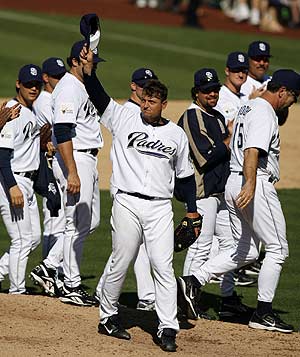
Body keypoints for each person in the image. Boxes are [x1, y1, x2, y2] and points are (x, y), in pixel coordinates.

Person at [81, 46, 200, 353]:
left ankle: (167, 327)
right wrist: (89, 68)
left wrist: (191, 211)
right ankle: (107, 317)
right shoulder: (123, 118)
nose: (146, 104)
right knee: (121, 260)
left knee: (162, 265)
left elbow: (185, 177)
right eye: (144, 99)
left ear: (163, 103)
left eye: (152, 100)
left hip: (160, 207)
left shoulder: (175, 135)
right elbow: (97, 94)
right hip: (127, 203)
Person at [177, 69, 300, 333]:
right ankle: (264, 313)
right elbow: (252, 149)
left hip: (232, 183)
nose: (294, 102)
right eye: (294, 96)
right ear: (282, 91)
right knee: (278, 249)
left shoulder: (247, 107)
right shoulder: (265, 113)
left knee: (248, 250)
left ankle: (194, 280)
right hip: (252, 183)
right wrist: (252, 183)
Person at [177, 68, 250, 320]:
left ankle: (226, 298)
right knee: (199, 247)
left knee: (232, 245)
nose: (212, 93)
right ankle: (184, 301)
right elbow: (204, 157)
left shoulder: (217, 117)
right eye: (207, 90)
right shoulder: (191, 117)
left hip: (219, 194)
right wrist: (228, 142)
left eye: (215, 89)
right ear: (196, 92)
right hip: (200, 193)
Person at [95, 67, 159, 311]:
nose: (146, 89)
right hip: (125, 187)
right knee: (132, 245)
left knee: (127, 246)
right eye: (143, 85)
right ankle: (147, 296)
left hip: (137, 188)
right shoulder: (125, 113)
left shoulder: (145, 114)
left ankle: (105, 289)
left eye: (150, 86)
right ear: (133, 86)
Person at [50, 40, 104, 306]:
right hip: (76, 158)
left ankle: (57, 270)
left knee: (90, 223)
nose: (93, 67)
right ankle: (70, 284)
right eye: (90, 62)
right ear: (75, 61)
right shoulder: (68, 88)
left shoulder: (83, 86)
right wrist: (72, 171)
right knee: (75, 223)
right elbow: (61, 131)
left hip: (87, 158)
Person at [0, 64, 43, 294]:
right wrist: (12, 186)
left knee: (33, 237)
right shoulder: (11, 111)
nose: (33, 88)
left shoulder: (30, 112)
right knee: (21, 239)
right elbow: (2, 154)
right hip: (12, 180)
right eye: (28, 84)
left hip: (26, 183)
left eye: (37, 85)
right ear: (19, 84)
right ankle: (17, 291)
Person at [29, 57, 67, 297]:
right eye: (56, 76)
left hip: (54, 164)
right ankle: (48, 271)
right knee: (55, 220)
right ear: (46, 78)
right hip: (49, 167)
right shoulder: (44, 101)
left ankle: (50, 273)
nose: (61, 79)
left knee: (58, 221)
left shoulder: (53, 99)